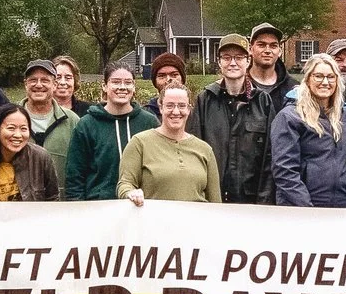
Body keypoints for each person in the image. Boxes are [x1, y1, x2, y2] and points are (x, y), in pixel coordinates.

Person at [190, 34, 275, 204]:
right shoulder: (205, 100)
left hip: (251, 202)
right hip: (212, 199)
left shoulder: (263, 101)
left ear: (248, 61)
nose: (233, 63)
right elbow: (194, 151)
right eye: (226, 57)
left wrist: (264, 202)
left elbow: (270, 156)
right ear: (219, 62)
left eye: (239, 57)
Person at [271, 53, 346, 208]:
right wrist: (307, 208)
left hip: (342, 205)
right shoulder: (290, 117)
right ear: (308, 79)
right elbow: (284, 170)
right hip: (303, 206)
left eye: (331, 77)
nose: (325, 82)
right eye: (318, 76)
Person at [67, 62, 158, 201]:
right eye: (116, 82)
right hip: (99, 208)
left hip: (141, 208)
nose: (122, 87)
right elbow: (75, 178)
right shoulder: (87, 125)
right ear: (104, 86)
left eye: (128, 82)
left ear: (134, 87)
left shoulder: (149, 123)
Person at [120, 83, 223, 203]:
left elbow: (215, 202)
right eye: (169, 106)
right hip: (153, 220)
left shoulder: (205, 150)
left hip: (195, 220)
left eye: (181, 106)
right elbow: (125, 184)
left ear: (189, 109)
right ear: (161, 107)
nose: (176, 111)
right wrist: (131, 193)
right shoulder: (139, 143)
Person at [16, 57, 83, 183]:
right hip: (18, 200)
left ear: (54, 85)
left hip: (60, 200)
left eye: (45, 80)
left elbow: (82, 165)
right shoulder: (10, 118)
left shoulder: (72, 121)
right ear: (25, 84)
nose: (39, 85)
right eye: (33, 80)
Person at [0, 109, 64, 201]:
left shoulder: (40, 157)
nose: (18, 135)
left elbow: (53, 198)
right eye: (11, 128)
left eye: (23, 129)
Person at [246, 24, 294, 122]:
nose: (267, 51)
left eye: (273, 46)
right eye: (261, 45)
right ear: (250, 49)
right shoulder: (239, 86)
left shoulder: (293, 88)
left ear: (279, 51)